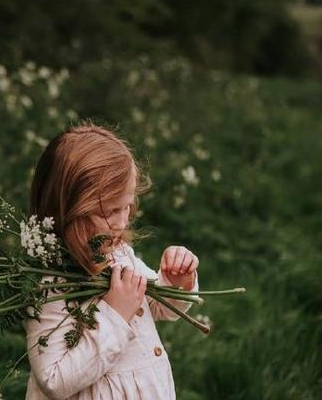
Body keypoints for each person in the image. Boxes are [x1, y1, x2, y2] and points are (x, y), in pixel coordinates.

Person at [25, 123, 199, 400]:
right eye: (109, 211)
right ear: (67, 210)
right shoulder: (49, 283)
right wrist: (114, 316)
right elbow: (53, 380)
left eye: (127, 206)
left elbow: (159, 306)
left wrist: (176, 281)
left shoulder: (118, 254)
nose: (122, 222)